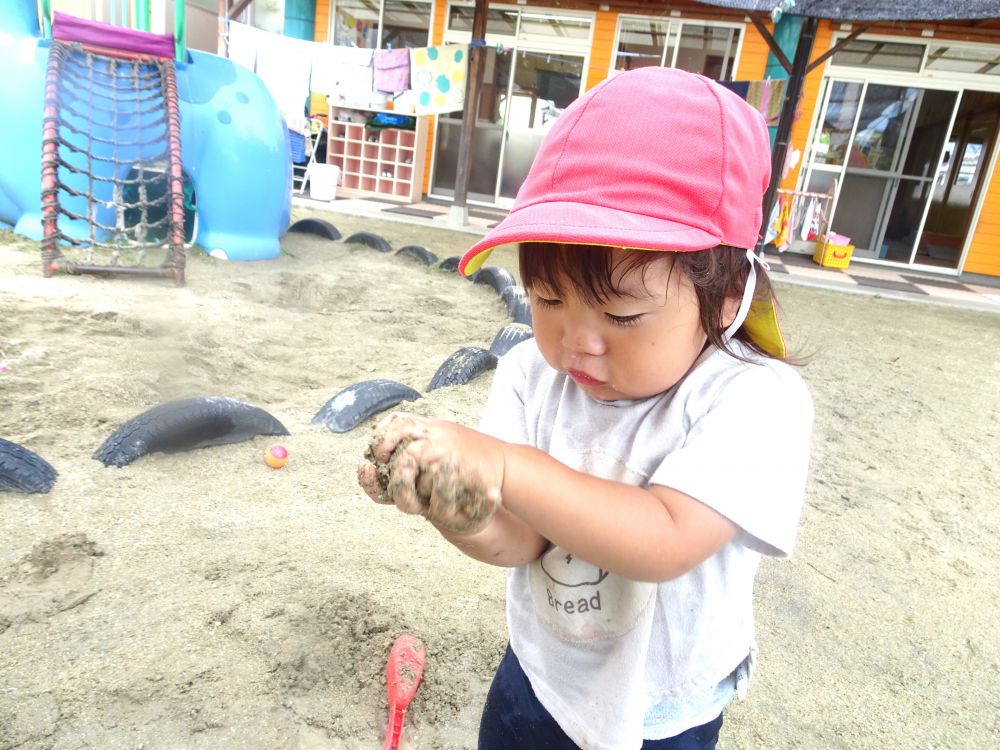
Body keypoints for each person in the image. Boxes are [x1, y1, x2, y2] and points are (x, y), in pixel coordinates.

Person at [358, 67, 813, 750]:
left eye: (622, 315)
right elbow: (524, 538)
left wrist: (504, 465)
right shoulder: (529, 375)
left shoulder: (753, 400)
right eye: (546, 300)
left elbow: (665, 538)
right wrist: (461, 508)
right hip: (540, 674)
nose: (576, 344)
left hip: (661, 713)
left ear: (726, 298)